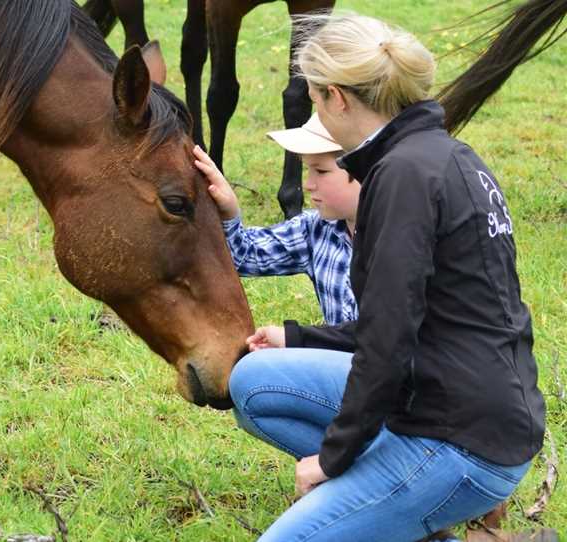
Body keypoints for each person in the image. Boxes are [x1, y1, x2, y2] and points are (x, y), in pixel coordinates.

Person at [227, 13, 545, 542]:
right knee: (256, 382)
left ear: (338, 98)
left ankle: (407, 495)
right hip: (459, 400)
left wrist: (331, 461)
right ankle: (399, 510)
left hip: (458, 439)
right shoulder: (445, 156)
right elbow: (407, 319)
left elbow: (389, 340)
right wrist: (300, 337)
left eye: (313, 98)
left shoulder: (401, 177)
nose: (315, 110)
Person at [192, 112, 359, 327]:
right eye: (308, 169)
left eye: (321, 171)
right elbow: (244, 256)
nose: (308, 184)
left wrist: (297, 340)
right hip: (336, 357)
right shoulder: (316, 229)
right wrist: (229, 212)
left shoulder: (401, 233)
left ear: (363, 167)